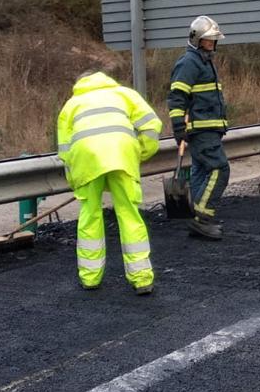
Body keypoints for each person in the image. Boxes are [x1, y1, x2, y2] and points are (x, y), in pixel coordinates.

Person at [57, 71, 162, 295]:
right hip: (122, 153)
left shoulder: (72, 104)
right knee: (129, 213)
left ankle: (90, 278)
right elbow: (152, 124)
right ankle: (142, 278)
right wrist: (140, 153)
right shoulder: (124, 94)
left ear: (80, 83)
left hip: (86, 159)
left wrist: (76, 180)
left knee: (90, 215)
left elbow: (65, 150)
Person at [168, 16, 230, 241]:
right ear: (196, 40)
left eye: (214, 40)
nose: (212, 44)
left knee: (201, 171)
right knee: (219, 169)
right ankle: (201, 219)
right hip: (201, 131)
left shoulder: (205, 61)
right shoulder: (189, 63)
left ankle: (195, 214)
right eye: (208, 40)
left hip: (209, 129)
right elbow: (177, 97)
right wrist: (177, 127)